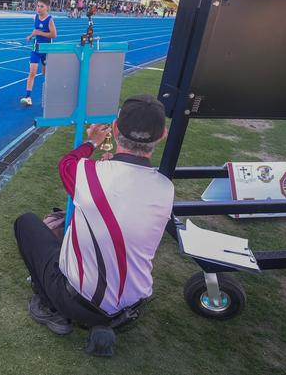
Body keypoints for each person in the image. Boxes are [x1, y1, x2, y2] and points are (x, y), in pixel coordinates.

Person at [14, 94, 174, 355]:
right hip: (133, 305)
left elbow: (66, 162)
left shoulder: (88, 173)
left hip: (77, 302)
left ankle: (51, 308)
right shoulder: (166, 189)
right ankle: (105, 321)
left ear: (114, 128)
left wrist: (91, 141)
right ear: (162, 134)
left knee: (27, 224)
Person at [22, 0, 56, 106]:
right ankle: (28, 97)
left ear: (47, 7)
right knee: (32, 73)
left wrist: (39, 33)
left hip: (46, 50)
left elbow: (54, 35)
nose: (39, 8)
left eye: (41, 6)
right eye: (38, 6)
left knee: (45, 75)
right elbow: (35, 30)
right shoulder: (35, 17)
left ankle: (49, 96)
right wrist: (31, 36)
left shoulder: (50, 20)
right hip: (36, 49)